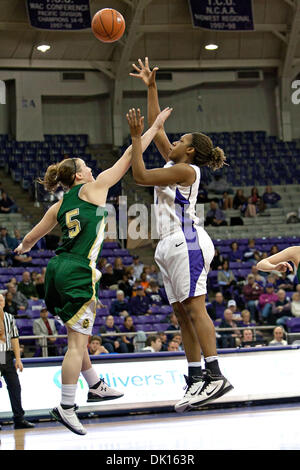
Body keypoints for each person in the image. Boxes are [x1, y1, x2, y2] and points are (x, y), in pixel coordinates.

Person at [13, 113, 166, 435]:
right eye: (88, 167)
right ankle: (66, 406)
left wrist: (20, 251)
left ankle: (95, 385)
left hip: (55, 269)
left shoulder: (59, 204)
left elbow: (30, 239)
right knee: (76, 346)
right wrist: (152, 129)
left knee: (75, 336)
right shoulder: (93, 188)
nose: (93, 169)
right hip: (77, 271)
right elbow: (128, 156)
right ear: (80, 175)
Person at [129, 57, 233, 413]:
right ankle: (195, 377)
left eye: (180, 139)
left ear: (188, 150)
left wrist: (133, 139)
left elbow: (140, 176)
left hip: (186, 240)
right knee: (181, 314)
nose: (171, 141)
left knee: (195, 308)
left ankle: (215, 373)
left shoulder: (185, 171)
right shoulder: (177, 163)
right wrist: (151, 87)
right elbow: (158, 129)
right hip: (169, 244)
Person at [0, 294, 35, 429]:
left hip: (6, 355)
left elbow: (15, 338)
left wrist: (18, 359)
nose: (0, 302)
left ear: (4, 303)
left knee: (15, 386)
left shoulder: (9, 317)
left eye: (1, 300)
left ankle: (19, 419)